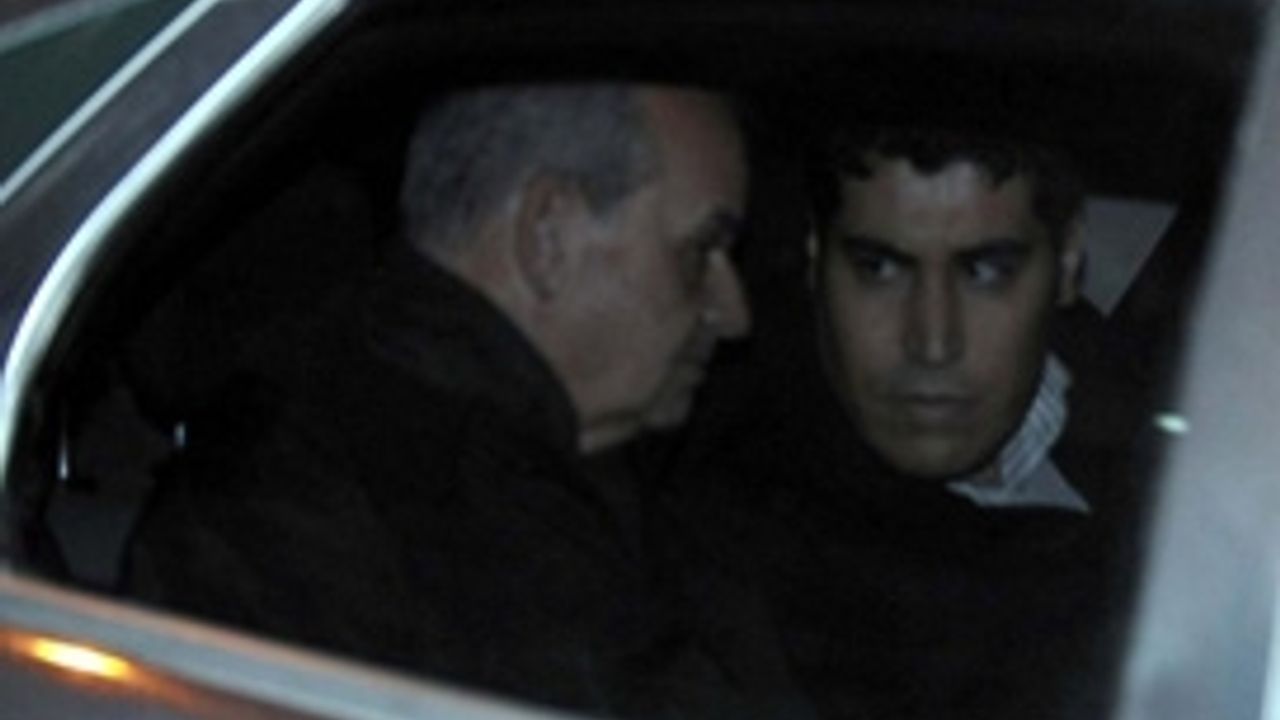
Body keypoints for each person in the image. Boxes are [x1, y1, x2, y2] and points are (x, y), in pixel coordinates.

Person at [123, 84, 805, 718]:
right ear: (547, 235)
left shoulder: (588, 485)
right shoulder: (320, 511)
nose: (733, 312)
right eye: (699, 252)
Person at [672, 127, 1149, 720]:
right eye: (878, 268)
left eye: (986, 271)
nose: (932, 342)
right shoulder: (723, 531)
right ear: (816, 259)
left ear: (1069, 262)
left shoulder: (1188, 428)